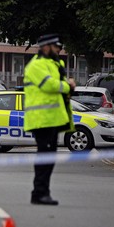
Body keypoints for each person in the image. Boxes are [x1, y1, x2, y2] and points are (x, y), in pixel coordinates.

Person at [24, 34, 76, 205]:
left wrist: (67, 87)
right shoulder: (36, 65)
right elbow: (49, 85)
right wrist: (68, 85)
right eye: (56, 47)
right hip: (41, 120)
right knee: (44, 157)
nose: (59, 50)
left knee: (49, 157)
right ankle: (39, 193)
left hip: (52, 119)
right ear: (45, 47)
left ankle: (42, 192)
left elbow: (61, 89)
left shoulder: (53, 64)